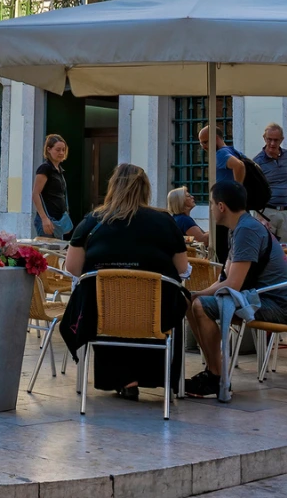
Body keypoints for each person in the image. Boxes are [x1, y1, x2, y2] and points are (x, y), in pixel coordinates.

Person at [60, 164, 191, 401]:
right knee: (174, 301)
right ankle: (158, 376)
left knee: (94, 302)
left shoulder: (93, 220)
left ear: (112, 187)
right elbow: (182, 269)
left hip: (103, 315)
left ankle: (124, 379)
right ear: (145, 189)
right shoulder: (164, 220)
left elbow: (72, 268)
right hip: (156, 314)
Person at [183, 180, 287, 399]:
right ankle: (212, 373)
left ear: (221, 207)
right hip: (257, 297)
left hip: (275, 305)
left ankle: (217, 378)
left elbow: (232, 285)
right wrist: (195, 294)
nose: (210, 208)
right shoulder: (238, 228)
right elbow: (226, 279)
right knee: (191, 302)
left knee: (199, 306)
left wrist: (198, 296)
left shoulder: (246, 230)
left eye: (211, 203)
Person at [199, 125, 245, 263]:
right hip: (231, 209)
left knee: (221, 252)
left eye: (206, 142)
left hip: (224, 209)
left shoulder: (220, 154)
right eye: (201, 143)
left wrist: (237, 189)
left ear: (216, 138)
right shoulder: (233, 150)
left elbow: (239, 166)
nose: (203, 147)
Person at [254, 124, 287, 242]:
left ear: (282, 140)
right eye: (269, 139)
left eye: (276, 140)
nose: (272, 143)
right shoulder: (257, 162)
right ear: (264, 138)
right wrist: (260, 217)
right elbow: (254, 191)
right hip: (267, 212)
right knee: (266, 249)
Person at [32, 135, 74, 239]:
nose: (61, 153)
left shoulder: (59, 170)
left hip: (58, 222)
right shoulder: (45, 168)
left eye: (63, 150)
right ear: (49, 149)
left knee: (56, 254)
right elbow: (36, 194)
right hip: (48, 221)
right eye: (58, 149)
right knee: (48, 254)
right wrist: (44, 218)